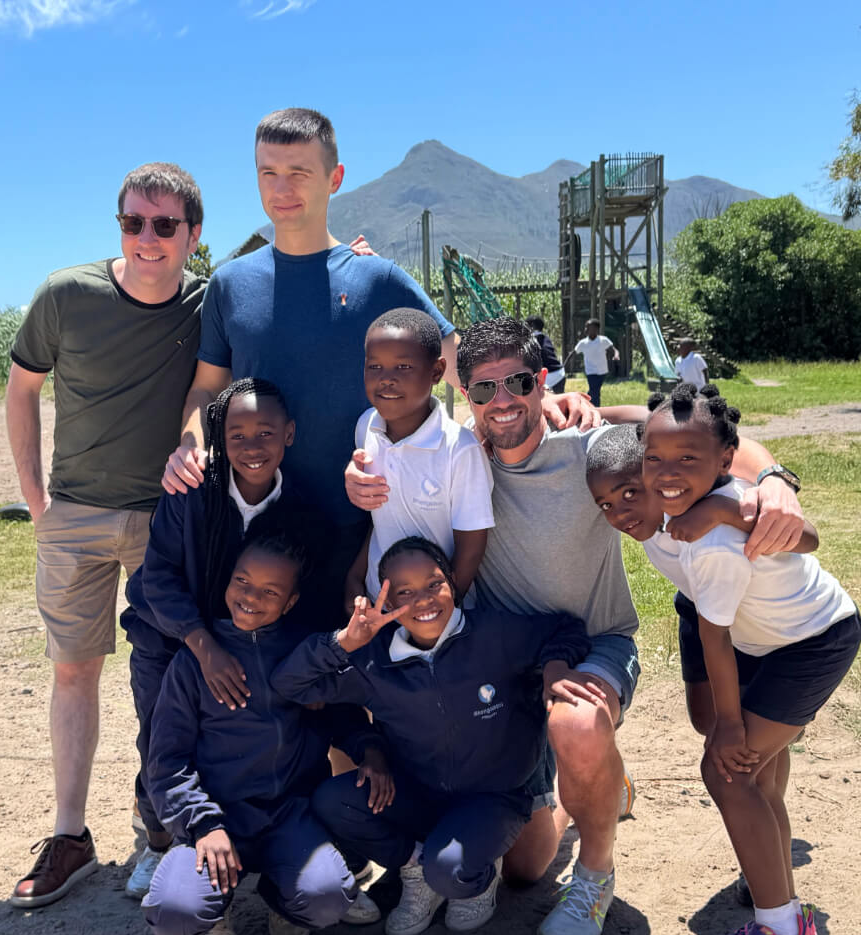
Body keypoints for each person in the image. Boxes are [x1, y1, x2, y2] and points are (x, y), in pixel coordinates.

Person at [349, 316, 807, 935]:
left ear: (542, 382)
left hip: (593, 641)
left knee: (577, 725)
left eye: (517, 382)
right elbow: (383, 458)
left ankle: (594, 872)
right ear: (465, 398)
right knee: (524, 872)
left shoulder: (587, 448)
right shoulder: (460, 456)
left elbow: (700, 427)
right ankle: (595, 788)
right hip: (504, 659)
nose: (501, 402)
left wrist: (774, 481)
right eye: (483, 391)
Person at [160, 107, 597, 625]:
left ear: (335, 179)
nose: (282, 188)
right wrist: (192, 441)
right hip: (266, 531)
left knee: (363, 684)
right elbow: (206, 390)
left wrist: (534, 396)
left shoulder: (378, 279)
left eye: (299, 173)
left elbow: (459, 359)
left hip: (366, 524)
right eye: (268, 173)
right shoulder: (230, 285)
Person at [5, 162, 207, 909]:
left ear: (192, 234)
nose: (146, 238)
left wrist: (351, 257)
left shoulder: (206, 304)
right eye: (132, 222)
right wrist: (34, 495)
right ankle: (70, 836)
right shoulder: (67, 294)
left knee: (164, 676)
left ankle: (158, 823)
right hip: (75, 516)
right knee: (73, 670)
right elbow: (23, 385)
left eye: (163, 225)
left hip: (166, 517)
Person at [638, 384, 861, 935]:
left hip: (809, 644)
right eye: (655, 460)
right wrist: (575, 402)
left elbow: (720, 632)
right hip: (766, 643)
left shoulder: (718, 531)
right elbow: (634, 420)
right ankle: (778, 896)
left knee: (728, 770)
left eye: (689, 460)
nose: (669, 472)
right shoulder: (682, 481)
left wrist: (731, 726)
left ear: (726, 458)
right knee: (753, 774)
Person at [276, 538, 589, 935]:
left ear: (454, 583)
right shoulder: (374, 660)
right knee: (333, 801)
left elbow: (568, 628)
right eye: (403, 592)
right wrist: (345, 642)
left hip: (492, 797)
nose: (422, 600)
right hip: (417, 792)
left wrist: (554, 667)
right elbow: (290, 684)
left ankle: (476, 880)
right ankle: (415, 868)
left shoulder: (496, 634)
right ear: (385, 603)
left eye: (434, 584)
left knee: (458, 873)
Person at [141, 532, 381, 935]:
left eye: (270, 591)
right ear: (227, 583)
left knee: (328, 899)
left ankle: (282, 896)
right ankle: (215, 907)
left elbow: (339, 714)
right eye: (242, 582)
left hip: (288, 815)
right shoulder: (196, 661)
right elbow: (166, 761)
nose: (251, 597)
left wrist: (370, 750)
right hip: (217, 817)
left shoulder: (304, 651)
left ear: (290, 602)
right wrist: (202, 825)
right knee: (174, 914)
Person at [119, 378, 297, 898]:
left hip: (239, 643)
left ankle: (250, 845)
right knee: (159, 739)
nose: (253, 446)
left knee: (240, 740)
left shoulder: (299, 505)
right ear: (218, 439)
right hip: (168, 638)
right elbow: (158, 578)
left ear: (290, 435)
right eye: (237, 434)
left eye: (266, 432)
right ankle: (158, 844)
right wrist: (202, 646)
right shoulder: (190, 491)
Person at [348, 308, 493, 604]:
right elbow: (381, 522)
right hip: (380, 607)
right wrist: (355, 578)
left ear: (437, 372)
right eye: (375, 367)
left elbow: (472, 546)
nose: (386, 379)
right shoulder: (366, 426)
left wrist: (442, 612)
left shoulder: (459, 449)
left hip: (439, 617)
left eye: (403, 367)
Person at [572, 318, 619, 406]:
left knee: (594, 390)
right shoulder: (583, 343)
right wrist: (563, 366)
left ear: (596, 329)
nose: (585, 329)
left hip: (602, 371)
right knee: (595, 392)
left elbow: (614, 349)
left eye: (588, 327)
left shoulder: (603, 340)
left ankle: (583, 401)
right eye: (586, 327)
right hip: (590, 371)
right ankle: (596, 408)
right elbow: (573, 353)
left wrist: (616, 355)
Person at [526, 315, 565, 392]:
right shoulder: (545, 337)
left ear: (532, 326)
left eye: (526, 325)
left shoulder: (532, 339)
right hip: (559, 373)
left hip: (550, 374)